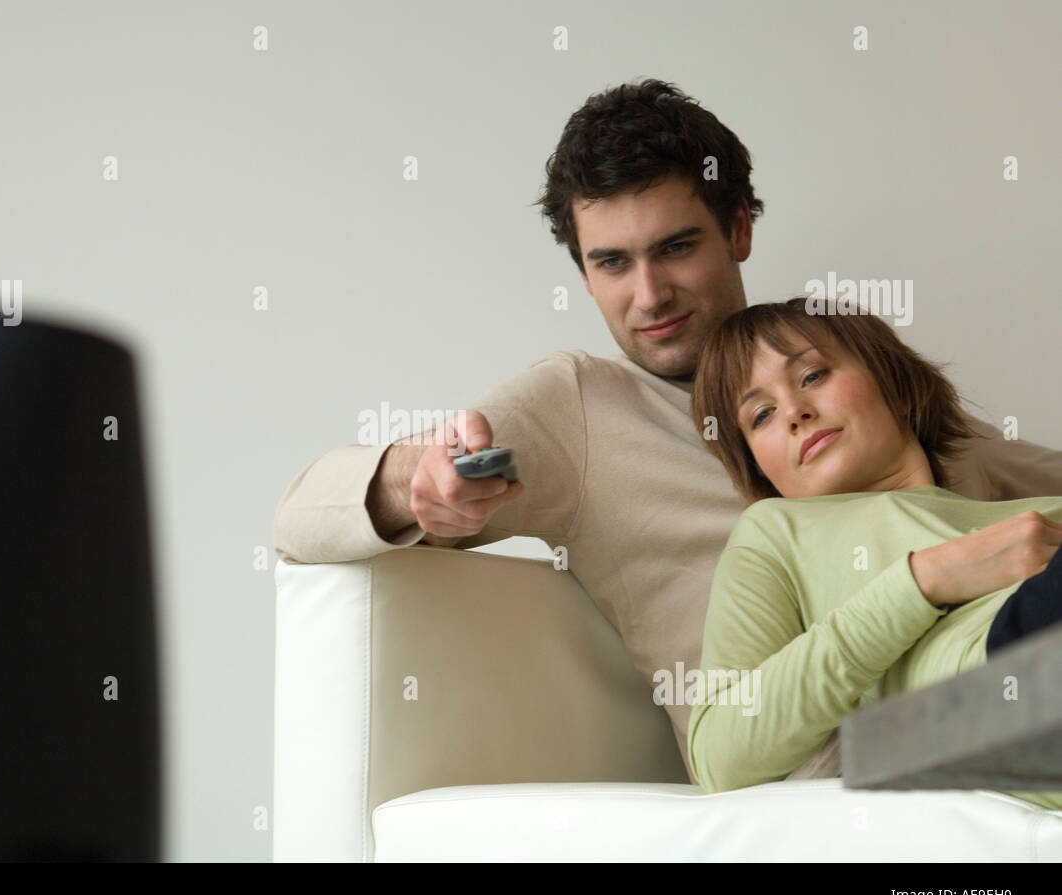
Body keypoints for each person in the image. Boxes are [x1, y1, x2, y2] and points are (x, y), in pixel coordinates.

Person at [273, 79, 1062, 784]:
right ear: (584, 275)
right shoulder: (579, 409)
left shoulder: (846, 380)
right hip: (826, 775)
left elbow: (1012, 469)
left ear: (739, 231)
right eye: (612, 263)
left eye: (676, 247)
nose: (649, 294)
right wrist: (414, 482)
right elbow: (299, 513)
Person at [687, 297, 1062, 810]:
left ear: (898, 387)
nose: (795, 412)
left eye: (813, 376)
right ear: (759, 468)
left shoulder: (1039, 513)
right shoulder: (774, 532)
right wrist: (926, 578)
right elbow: (720, 756)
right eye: (762, 415)